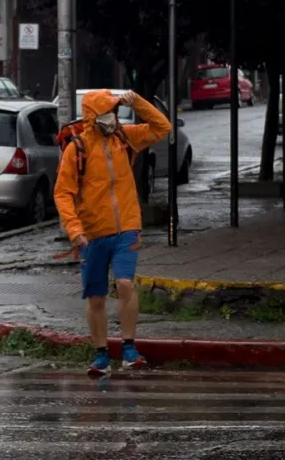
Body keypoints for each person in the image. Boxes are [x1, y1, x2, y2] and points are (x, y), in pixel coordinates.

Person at [53, 89, 171, 376]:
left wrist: (138, 102)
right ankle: (101, 353)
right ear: (93, 116)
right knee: (96, 296)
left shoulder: (124, 137)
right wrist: (75, 230)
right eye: (108, 112)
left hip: (127, 229)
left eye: (115, 112)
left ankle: (129, 347)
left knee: (126, 284)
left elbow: (162, 128)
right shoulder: (77, 149)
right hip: (92, 234)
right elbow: (63, 194)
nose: (113, 118)